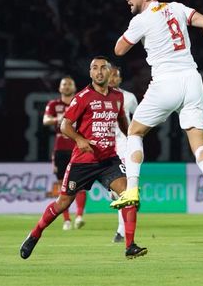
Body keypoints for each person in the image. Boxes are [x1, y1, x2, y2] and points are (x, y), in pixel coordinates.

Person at [110, 0, 203, 218]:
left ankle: (132, 189)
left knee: (135, 132)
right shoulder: (178, 8)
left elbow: (119, 49)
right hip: (192, 79)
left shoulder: (141, 19)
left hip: (165, 81)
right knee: (199, 141)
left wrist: (131, 29)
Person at [20, 56, 146, 260]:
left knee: (129, 195)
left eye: (103, 68)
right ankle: (34, 234)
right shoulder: (83, 97)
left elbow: (122, 121)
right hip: (83, 161)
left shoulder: (117, 97)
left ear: (109, 72)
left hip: (108, 160)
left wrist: (133, 135)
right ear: (90, 73)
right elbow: (64, 126)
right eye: (94, 68)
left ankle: (130, 245)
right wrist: (79, 140)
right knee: (62, 203)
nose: (99, 72)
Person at [43, 76, 87, 230]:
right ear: (60, 88)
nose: (67, 86)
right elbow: (45, 120)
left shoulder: (80, 102)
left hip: (78, 147)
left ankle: (80, 216)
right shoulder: (54, 104)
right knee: (63, 185)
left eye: (70, 84)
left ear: (74, 87)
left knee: (80, 184)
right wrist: (58, 119)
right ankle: (67, 220)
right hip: (60, 149)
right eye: (64, 84)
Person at [108, 66, 139, 243]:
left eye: (115, 76)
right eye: (109, 75)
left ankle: (121, 231)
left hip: (122, 148)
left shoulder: (128, 98)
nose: (112, 79)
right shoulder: (94, 96)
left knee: (123, 192)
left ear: (120, 79)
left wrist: (136, 140)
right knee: (113, 193)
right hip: (102, 148)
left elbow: (138, 119)